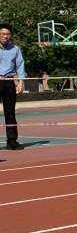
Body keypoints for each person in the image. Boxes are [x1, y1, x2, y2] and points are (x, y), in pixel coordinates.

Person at [0, 23, 25, 151]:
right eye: (3, 34)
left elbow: (20, 65)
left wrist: (20, 82)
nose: (5, 36)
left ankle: (12, 141)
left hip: (9, 82)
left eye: (7, 34)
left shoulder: (15, 49)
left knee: (10, 113)